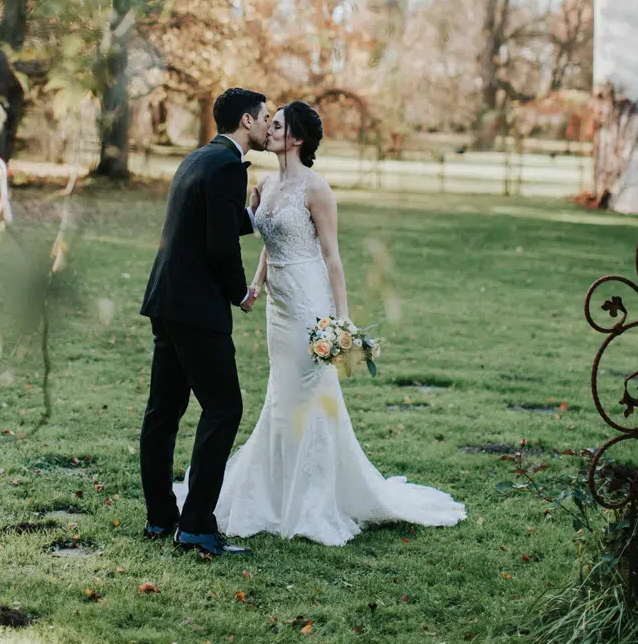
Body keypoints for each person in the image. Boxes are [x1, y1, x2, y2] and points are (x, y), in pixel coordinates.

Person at [191, 100, 466, 546]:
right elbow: (268, 240)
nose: (270, 129)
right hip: (278, 306)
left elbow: (332, 256)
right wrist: (257, 284)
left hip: (308, 300)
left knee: (311, 396)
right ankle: (276, 492)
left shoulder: (316, 189)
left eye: (278, 125)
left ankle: (314, 499)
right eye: (270, 123)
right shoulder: (262, 183)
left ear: (296, 139)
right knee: (280, 396)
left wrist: (342, 319)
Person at [139, 87, 269, 557]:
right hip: (197, 310)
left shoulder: (198, 160)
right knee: (224, 409)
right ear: (247, 121)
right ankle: (195, 526)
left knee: (163, 414)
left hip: (166, 301)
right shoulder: (228, 166)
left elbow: (210, 222)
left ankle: (160, 519)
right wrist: (241, 294)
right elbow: (219, 247)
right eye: (264, 117)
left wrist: (247, 214)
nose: (268, 125)